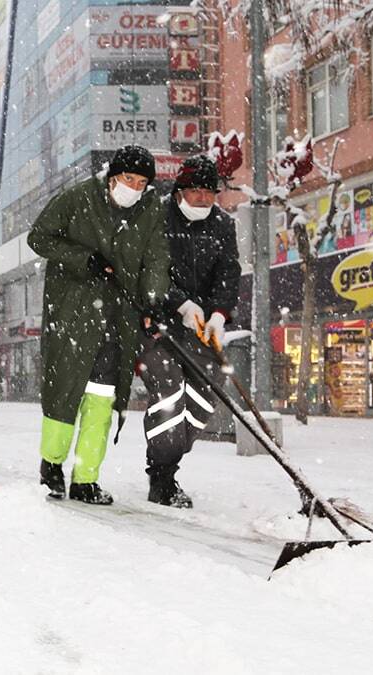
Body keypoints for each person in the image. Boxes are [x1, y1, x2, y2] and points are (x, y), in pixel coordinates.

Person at [28, 144, 171, 504]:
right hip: (72, 314)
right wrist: (82, 259)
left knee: (102, 398)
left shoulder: (150, 210)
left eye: (141, 183)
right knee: (64, 393)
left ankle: (85, 479)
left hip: (118, 320)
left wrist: (153, 302)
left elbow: (156, 258)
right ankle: (51, 467)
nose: (133, 188)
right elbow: (39, 236)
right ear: (112, 176)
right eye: (128, 179)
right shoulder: (78, 198)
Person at [138, 155, 241, 508]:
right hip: (157, 324)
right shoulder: (155, 217)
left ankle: (170, 458)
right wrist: (179, 304)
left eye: (210, 192)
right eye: (196, 191)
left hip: (200, 328)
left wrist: (219, 314)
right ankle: (162, 477)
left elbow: (228, 273)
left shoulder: (222, 225)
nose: (203, 198)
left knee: (206, 394)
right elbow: (147, 269)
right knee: (169, 393)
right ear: (180, 190)